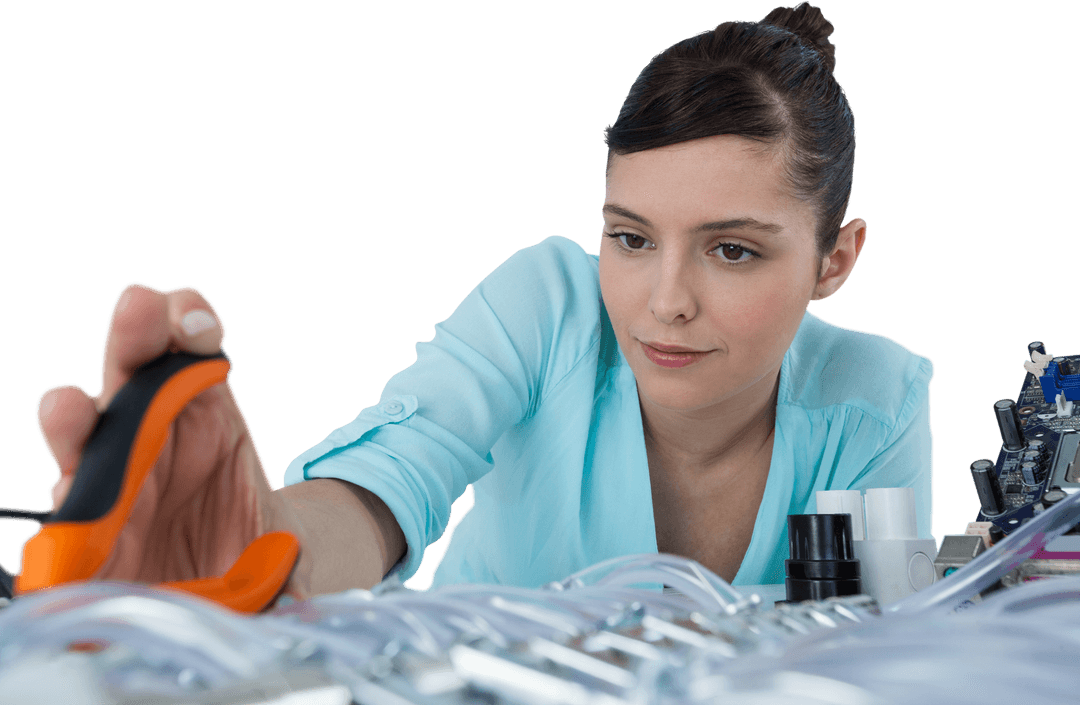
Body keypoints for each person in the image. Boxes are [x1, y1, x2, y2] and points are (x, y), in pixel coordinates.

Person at [30, 2, 932, 605]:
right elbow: (392, 481)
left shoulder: (870, 403)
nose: (664, 302)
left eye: (731, 250)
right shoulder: (548, 308)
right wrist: (268, 552)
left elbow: (857, 649)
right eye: (631, 237)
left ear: (834, 260)